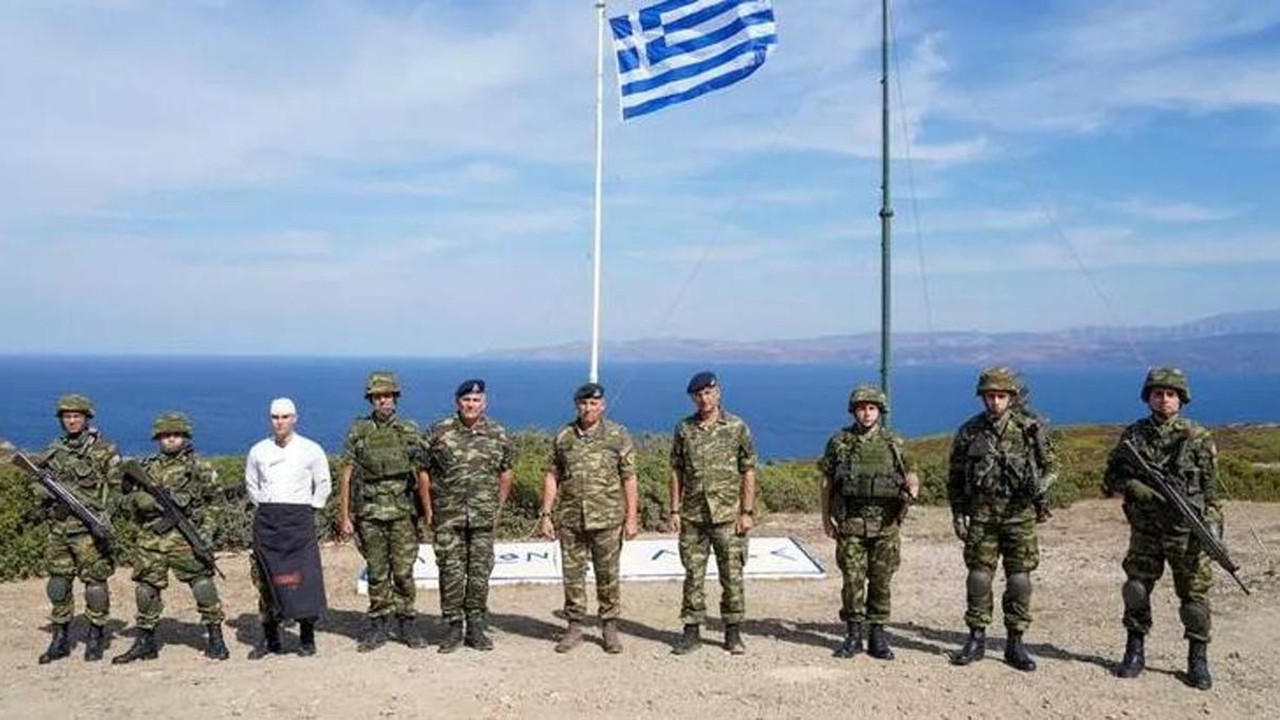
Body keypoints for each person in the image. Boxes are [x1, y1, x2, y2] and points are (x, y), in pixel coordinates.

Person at [1103, 367, 1220, 690]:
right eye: (1158, 394)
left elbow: (1211, 493)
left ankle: (1197, 659)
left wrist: (1213, 529)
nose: (1164, 399)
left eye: (1171, 394)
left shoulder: (1198, 437)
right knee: (1136, 589)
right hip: (1146, 529)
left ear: (1181, 399)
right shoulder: (1134, 436)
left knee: (1194, 597)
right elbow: (1111, 477)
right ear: (1148, 398)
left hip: (1186, 530)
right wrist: (1132, 487)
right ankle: (1135, 650)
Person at [947, 367, 1057, 672]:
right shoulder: (970, 431)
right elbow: (955, 477)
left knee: (1019, 579)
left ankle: (1015, 641)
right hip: (982, 516)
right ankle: (976, 637)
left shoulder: (1030, 429)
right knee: (979, 577)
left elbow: (1053, 466)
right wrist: (958, 514)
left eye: (1001, 396)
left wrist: (1041, 486)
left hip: (1019, 516)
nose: (995, 402)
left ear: (1011, 397)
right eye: (990, 396)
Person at [113, 412, 229, 663]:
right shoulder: (145, 467)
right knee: (146, 588)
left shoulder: (199, 467)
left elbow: (216, 502)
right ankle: (145, 642)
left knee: (202, 584)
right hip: (151, 538)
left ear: (185, 437)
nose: (171, 439)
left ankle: (215, 637)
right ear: (158, 438)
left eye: (176, 435)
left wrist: (207, 531)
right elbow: (122, 497)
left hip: (185, 538)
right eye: (166, 435)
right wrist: (139, 499)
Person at [819, 384, 919, 660]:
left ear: (880, 411)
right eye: (862, 408)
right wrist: (826, 518)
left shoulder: (894, 442)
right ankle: (853, 635)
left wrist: (913, 489)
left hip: (886, 525)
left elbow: (910, 473)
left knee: (881, 580)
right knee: (852, 581)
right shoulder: (840, 442)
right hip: (851, 523)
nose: (866, 413)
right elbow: (827, 482)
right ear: (854, 411)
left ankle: (878, 635)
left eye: (872, 408)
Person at [538, 382, 639, 654]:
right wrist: (546, 514)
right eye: (584, 403)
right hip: (571, 519)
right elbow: (552, 475)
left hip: (607, 519)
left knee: (608, 575)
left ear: (602, 406)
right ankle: (574, 627)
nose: (588, 408)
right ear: (576, 405)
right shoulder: (564, 436)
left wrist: (632, 517)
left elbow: (629, 477)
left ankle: (609, 627)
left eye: (594, 403)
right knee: (572, 576)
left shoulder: (618, 435)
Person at [337, 371, 430, 652]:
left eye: (387, 395)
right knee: (377, 573)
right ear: (371, 400)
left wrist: (428, 511)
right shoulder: (359, 430)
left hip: (402, 513)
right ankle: (378, 624)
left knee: (403, 572)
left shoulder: (409, 430)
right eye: (377, 396)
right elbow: (347, 474)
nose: (382, 400)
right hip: (370, 513)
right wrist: (345, 515)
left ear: (395, 398)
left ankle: (406, 622)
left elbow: (423, 472)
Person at [421, 379, 516, 653]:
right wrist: (428, 510)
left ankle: (475, 627)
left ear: (484, 403)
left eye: (476, 400)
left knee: (479, 574)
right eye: (466, 400)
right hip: (447, 518)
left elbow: (506, 471)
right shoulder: (439, 431)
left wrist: (498, 507)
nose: (471, 405)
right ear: (457, 402)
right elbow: (423, 471)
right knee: (450, 572)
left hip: (483, 518)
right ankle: (452, 627)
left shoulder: (498, 433)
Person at [668, 371, 757, 655]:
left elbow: (748, 470)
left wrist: (747, 511)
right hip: (694, 515)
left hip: (727, 515)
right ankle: (691, 631)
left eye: (708, 393)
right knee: (693, 575)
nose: (704, 399)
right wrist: (674, 509)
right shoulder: (684, 429)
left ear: (718, 393)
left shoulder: (737, 427)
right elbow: (676, 470)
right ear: (693, 398)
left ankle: (733, 632)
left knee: (732, 574)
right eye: (698, 395)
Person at [33, 394, 121, 664]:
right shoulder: (54, 449)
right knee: (58, 583)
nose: (71, 421)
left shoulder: (104, 450)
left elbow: (116, 488)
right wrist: (43, 490)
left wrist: (104, 519)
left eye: (76, 417)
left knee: (95, 583)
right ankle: (60, 638)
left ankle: (96, 635)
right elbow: (35, 478)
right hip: (60, 528)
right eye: (67, 417)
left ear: (86, 419)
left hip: (88, 530)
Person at [244, 397, 332, 658]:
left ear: (295, 419)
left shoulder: (311, 449)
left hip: (299, 520)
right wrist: (268, 508)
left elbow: (323, 483)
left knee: (304, 579)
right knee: (267, 579)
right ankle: (270, 638)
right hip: (268, 521)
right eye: (275, 417)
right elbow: (252, 484)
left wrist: (309, 509)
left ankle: (306, 637)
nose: (279, 422)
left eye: (284, 417)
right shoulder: (258, 451)